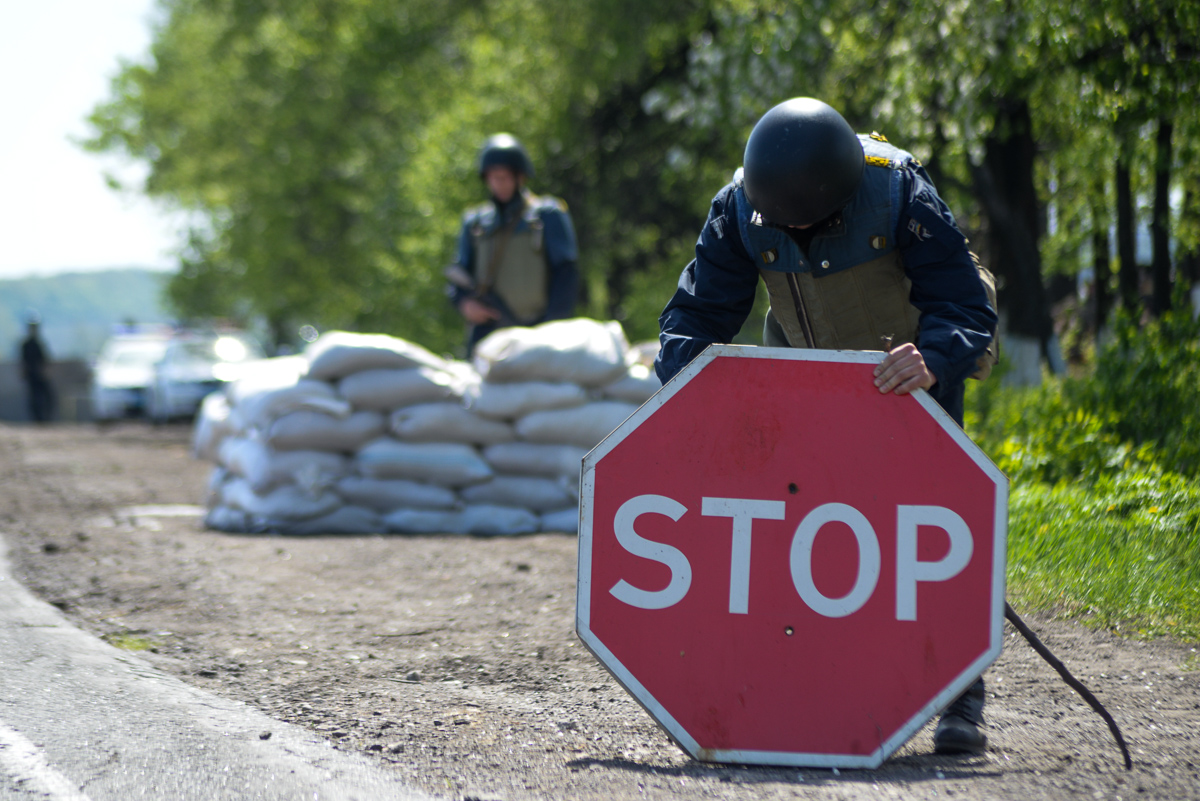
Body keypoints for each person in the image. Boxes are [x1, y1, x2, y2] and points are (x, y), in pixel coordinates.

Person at [654, 97, 998, 755]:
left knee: (937, 524)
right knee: (796, 524)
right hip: (803, 377)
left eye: (813, 220)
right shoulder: (736, 208)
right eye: (787, 223)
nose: (800, 231)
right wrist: (688, 380)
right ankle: (812, 681)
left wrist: (934, 358)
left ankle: (961, 702)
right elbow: (696, 313)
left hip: (909, 371)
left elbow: (960, 299)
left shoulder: (900, 190)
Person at [446, 133, 580, 355]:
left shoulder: (546, 215)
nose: (499, 183)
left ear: (520, 177)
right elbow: (457, 279)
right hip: (490, 332)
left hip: (539, 329)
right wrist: (465, 304)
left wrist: (553, 328)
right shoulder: (475, 223)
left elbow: (566, 275)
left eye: (505, 176)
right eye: (493, 177)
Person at [19, 312, 55, 423]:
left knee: (48, 397)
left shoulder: (39, 343)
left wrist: (45, 372)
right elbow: (23, 361)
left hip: (40, 375)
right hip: (32, 375)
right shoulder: (26, 344)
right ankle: (37, 420)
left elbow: (45, 360)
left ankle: (45, 419)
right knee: (34, 398)